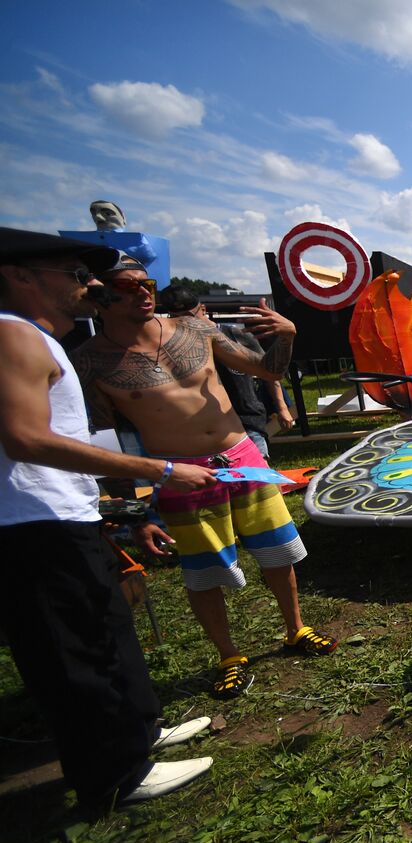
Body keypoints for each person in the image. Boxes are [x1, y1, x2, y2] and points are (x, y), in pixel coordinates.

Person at [0, 227, 217, 807]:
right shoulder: (12, 337)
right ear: (21, 276)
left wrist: (110, 508)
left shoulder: (39, 340)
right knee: (74, 650)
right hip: (31, 528)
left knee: (107, 626)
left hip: (65, 515)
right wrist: (160, 469)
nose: (89, 285)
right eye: (74, 275)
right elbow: (25, 439)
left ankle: (140, 731)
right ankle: (113, 773)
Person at [75, 258, 336, 698]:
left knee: (278, 552)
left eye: (147, 283)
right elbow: (106, 439)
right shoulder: (91, 361)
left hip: (242, 456)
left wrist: (288, 335)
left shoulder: (195, 331)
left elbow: (267, 370)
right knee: (203, 570)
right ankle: (230, 655)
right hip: (180, 472)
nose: (144, 292)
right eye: (128, 285)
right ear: (101, 296)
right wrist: (136, 514)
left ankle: (295, 628)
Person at [161, 285, 296, 458]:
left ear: (203, 309)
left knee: (258, 479)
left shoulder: (234, 335)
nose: (184, 323)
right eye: (175, 317)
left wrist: (282, 408)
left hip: (247, 422)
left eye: (188, 317)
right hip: (205, 427)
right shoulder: (173, 346)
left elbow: (269, 374)